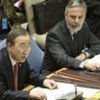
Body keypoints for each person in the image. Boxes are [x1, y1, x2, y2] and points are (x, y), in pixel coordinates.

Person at [41, 0, 100, 75]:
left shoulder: (83, 26)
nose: (76, 21)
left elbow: (97, 45)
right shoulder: (54, 34)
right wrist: (82, 64)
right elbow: (62, 59)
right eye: (73, 17)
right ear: (65, 15)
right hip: (54, 73)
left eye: (80, 17)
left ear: (85, 16)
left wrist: (85, 54)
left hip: (72, 69)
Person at [0, 27, 57, 100]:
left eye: (29, 45)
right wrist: (28, 94)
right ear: (9, 46)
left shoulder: (20, 57)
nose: (26, 51)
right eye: (22, 46)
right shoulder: (1, 63)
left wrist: (44, 81)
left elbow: (28, 74)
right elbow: (2, 94)